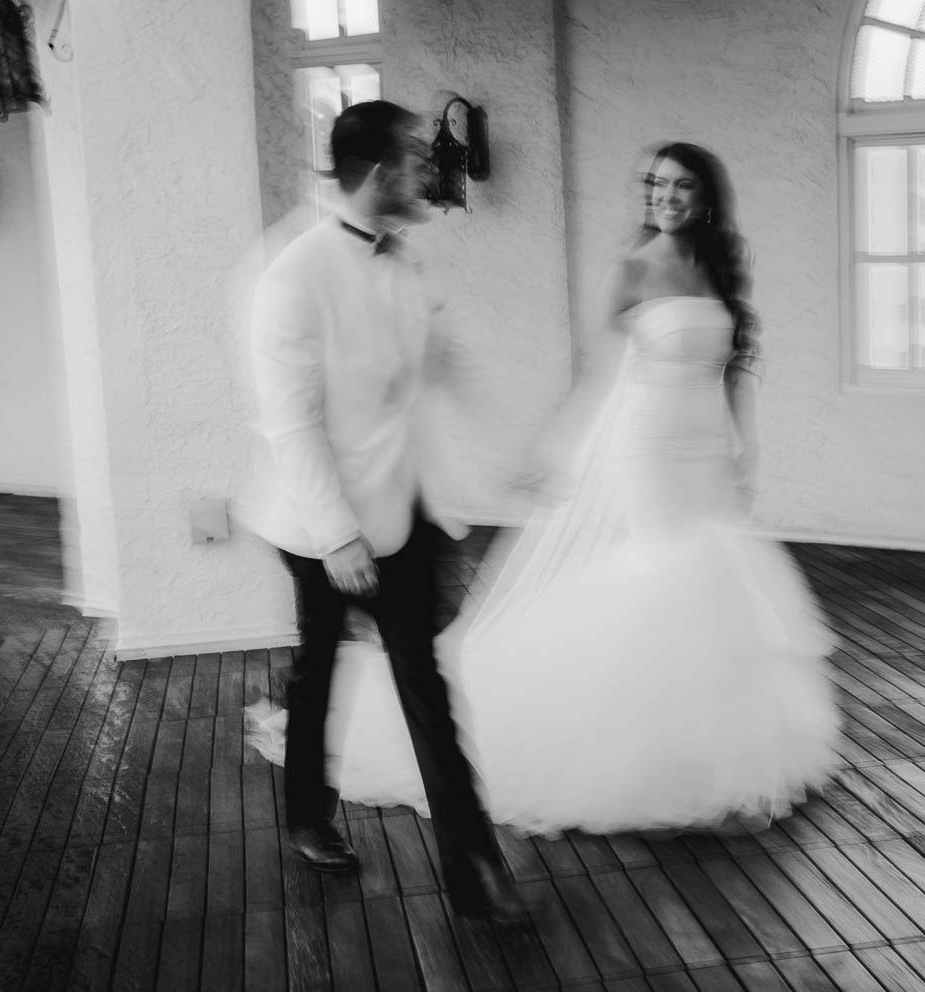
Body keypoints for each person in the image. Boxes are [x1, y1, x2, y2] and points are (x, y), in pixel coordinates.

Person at [249, 140, 841, 836]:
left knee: (718, 574)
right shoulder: (631, 271)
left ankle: (715, 749)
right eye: (656, 185)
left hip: (708, 451)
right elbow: (599, 376)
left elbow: (736, 372)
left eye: (682, 186)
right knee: (667, 571)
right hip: (647, 450)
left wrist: (746, 450)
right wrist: (554, 450)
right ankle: (639, 750)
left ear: (706, 197)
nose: (667, 197)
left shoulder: (717, 269)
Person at [241, 100, 526, 924]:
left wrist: (500, 452)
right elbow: (290, 423)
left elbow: (428, 371)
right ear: (375, 175)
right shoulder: (294, 277)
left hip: (402, 509)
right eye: (412, 157)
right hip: (315, 521)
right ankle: (306, 815)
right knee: (318, 668)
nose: (425, 170)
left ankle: (475, 874)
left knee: (425, 690)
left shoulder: (404, 263)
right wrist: (335, 537)